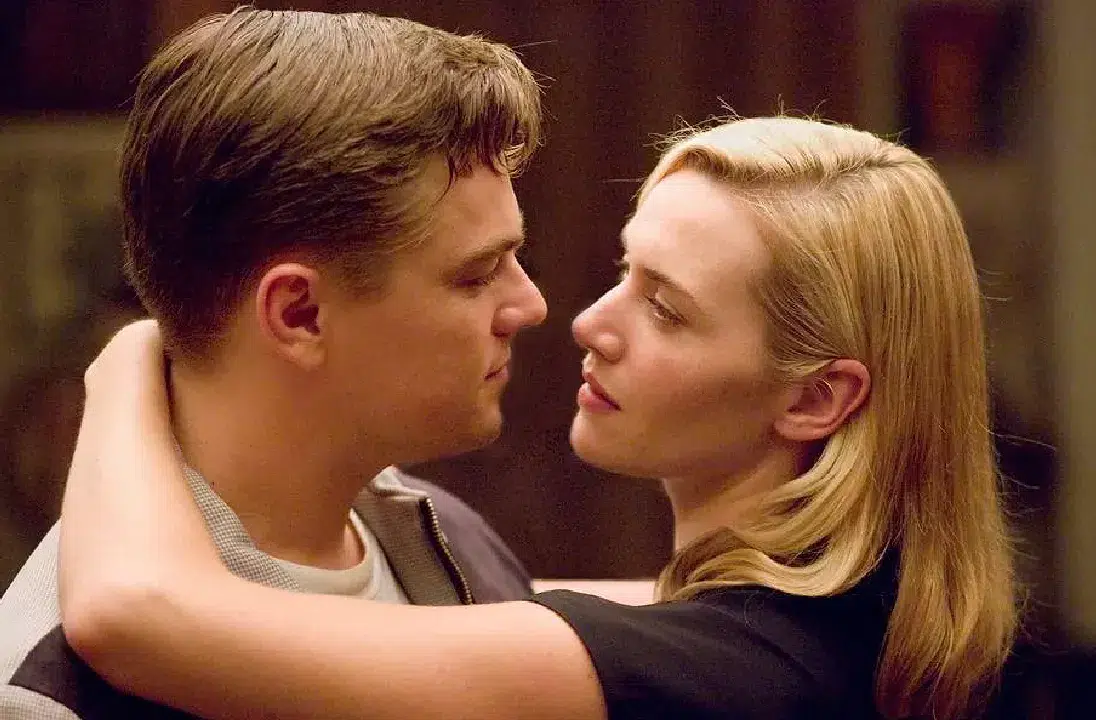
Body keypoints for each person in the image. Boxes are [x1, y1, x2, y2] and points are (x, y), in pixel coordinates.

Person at [58, 116, 1018, 719]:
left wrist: (133, 355)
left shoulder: (733, 672)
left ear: (815, 398)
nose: (588, 322)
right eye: (626, 270)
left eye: (666, 309)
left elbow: (132, 612)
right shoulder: (864, 613)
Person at [0, 8, 547, 718]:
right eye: (476, 275)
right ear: (299, 314)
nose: (529, 305)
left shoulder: (454, 544)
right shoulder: (51, 695)